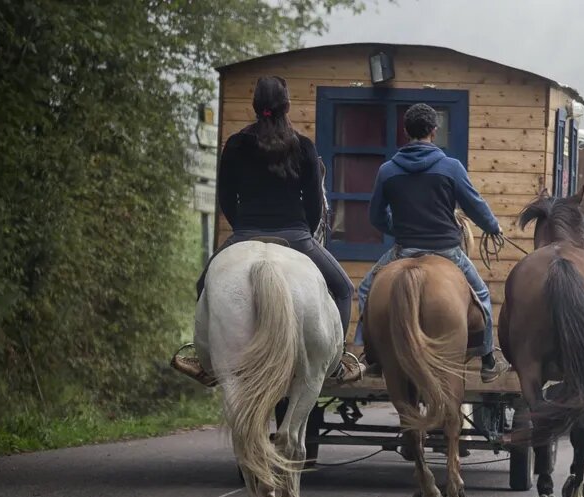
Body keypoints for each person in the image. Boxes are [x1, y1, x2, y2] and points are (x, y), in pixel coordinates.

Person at [172, 75, 363, 385]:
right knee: (343, 288)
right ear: (287, 106)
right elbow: (315, 203)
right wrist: (303, 229)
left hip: (245, 233)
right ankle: (336, 359)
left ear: (254, 106)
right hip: (297, 237)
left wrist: (242, 230)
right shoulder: (303, 146)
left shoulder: (236, 144)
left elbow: (226, 198)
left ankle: (204, 359)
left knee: (204, 284)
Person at [357, 103, 507, 383]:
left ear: (406, 132)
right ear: (433, 132)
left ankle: (373, 355)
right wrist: (493, 226)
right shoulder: (451, 167)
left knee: (366, 290)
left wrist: (396, 227)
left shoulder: (387, 170)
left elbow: (375, 216)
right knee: (482, 294)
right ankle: (487, 360)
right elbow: (473, 205)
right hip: (447, 251)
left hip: (404, 249)